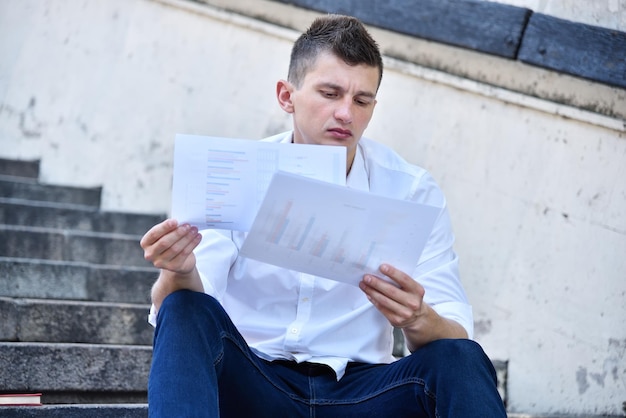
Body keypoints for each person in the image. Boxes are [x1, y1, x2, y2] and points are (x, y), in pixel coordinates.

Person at [140, 14, 507, 417]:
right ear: (286, 96)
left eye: (361, 100)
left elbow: (455, 327)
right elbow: (184, 307)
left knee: (460, 358)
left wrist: (418, 318)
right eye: (330, 93)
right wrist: (178, 270)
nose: (346, 113)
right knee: (184, 307)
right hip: (255, 382)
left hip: (362, 392)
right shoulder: (236, 173)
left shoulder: (412, 189)